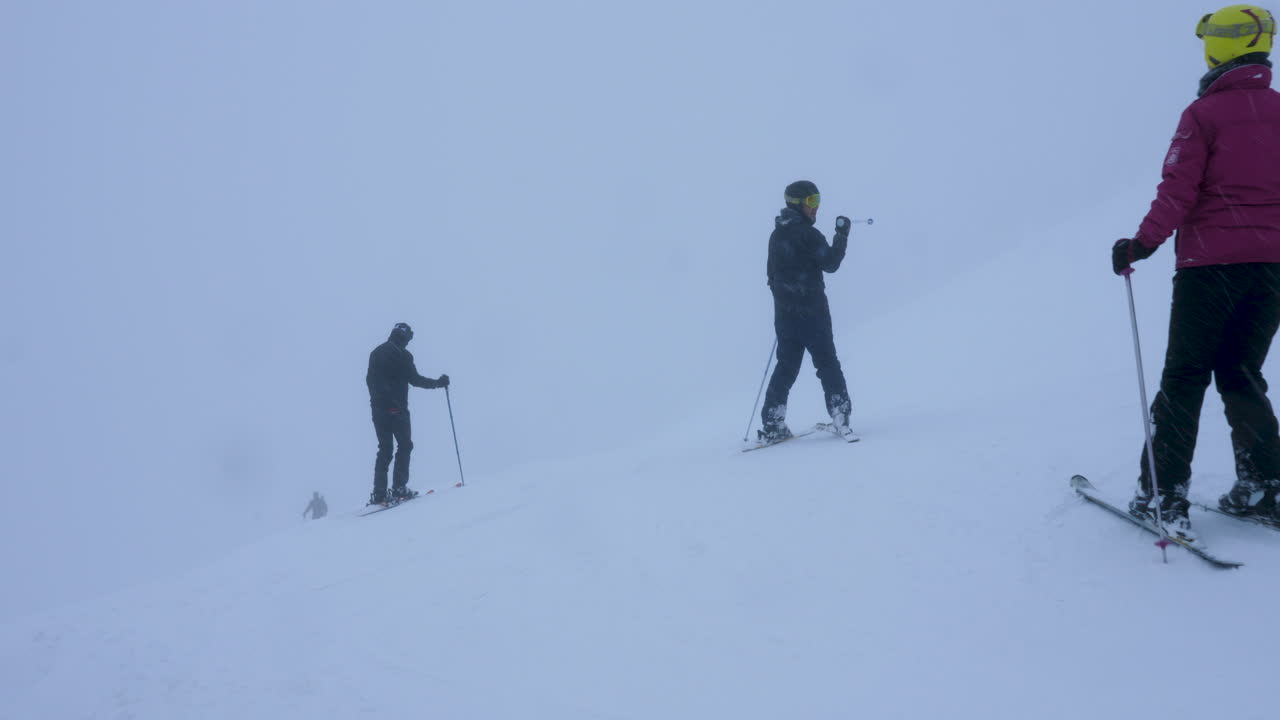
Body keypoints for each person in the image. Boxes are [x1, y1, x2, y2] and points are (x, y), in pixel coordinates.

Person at [1114, 4, 1280, 541]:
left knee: (1184, 378)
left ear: (1218, 49)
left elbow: (1178, 190)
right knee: (1241, 373)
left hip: (1210, 268)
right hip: (1271, 270)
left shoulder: (1203, 115)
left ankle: (1163, 496)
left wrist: (1140, 244)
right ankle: (1265, 488)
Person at [759, 180, 856, 444]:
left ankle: (772, 423)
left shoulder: (776, 236)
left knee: (786, 367)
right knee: (827, 363)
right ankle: (840, 415)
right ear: (796, 204)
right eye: (812, 202)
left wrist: (786, 301)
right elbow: (831, 263)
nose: (816, 207)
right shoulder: (809, 235)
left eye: (818, 200)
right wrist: (842, 235)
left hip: (786, 317)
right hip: (813, 314)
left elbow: (771, 276)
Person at [366, 322, 449, 505]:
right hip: (397, 409)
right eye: (409, 338)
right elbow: (415, 380)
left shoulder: (377, 352)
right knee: (404, 445)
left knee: (385, 449)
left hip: (378, 409)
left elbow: (370, 381)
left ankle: (379, 493)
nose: (409, 342)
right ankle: (399, 488)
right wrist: (438, 383)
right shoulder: (402, 355)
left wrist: (379, 402)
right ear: (404, 336)